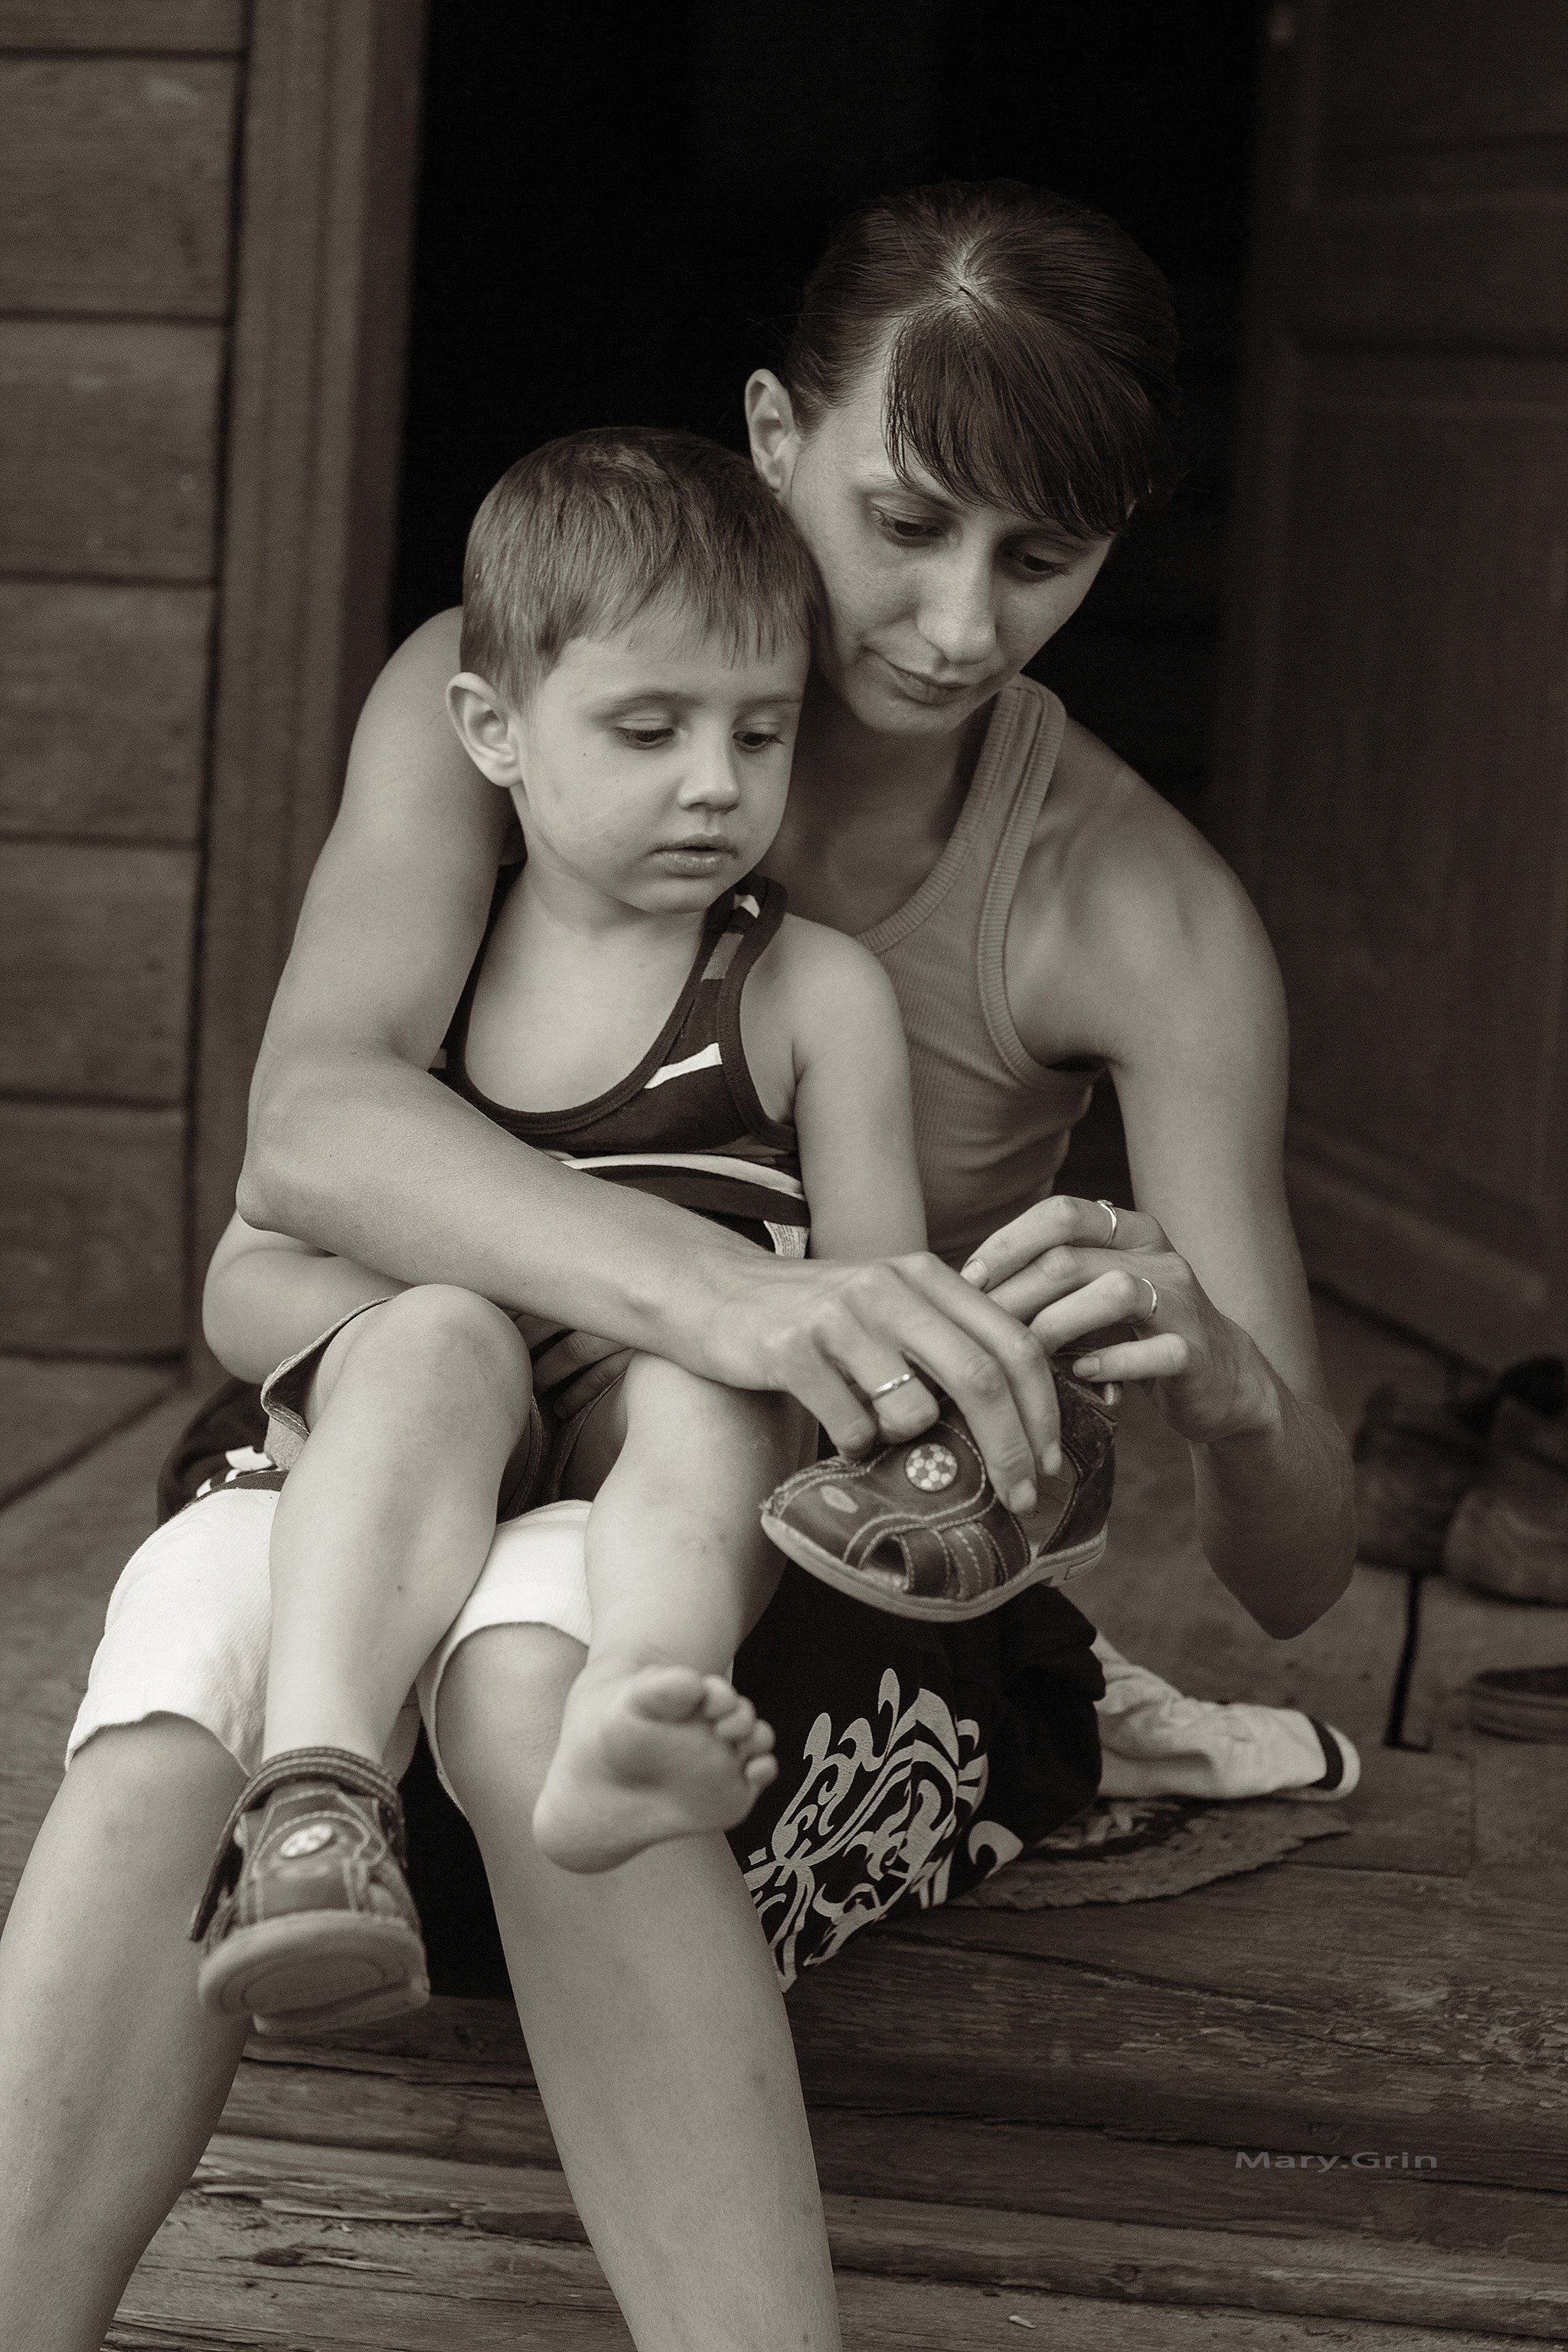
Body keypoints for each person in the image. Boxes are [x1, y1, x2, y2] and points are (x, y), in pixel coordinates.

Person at [0, 181, 1356, 2351]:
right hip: (416, 1477)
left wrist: (1224, 1382)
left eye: (1043, 558)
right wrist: (724, 1291)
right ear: (772, 435)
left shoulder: (1139, 910)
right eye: (904, 523)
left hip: (754, 1592)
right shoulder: (519, 691)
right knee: (187, 1700)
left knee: (536, 1698)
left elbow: (1298, 1575)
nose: (957, 622)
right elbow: (312, 1123)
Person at [194, 424, 936, 2028]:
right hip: (442, 1404)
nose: (713, 782)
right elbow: (247, 1284)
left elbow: (874, 1320)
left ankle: (637, 1707)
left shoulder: (809, 994)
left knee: (719, 1388)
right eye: (648, 729)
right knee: (433, 1342)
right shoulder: (434, 983)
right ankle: (315, 1797)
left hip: (663, 1445)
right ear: (494, 732)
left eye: (760, 732)